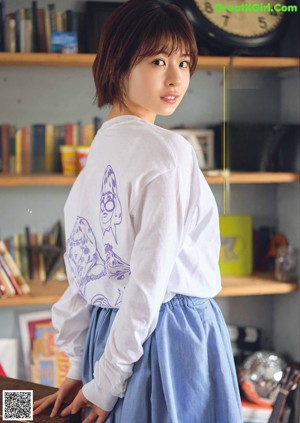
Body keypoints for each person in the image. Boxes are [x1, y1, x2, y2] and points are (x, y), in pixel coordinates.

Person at [33, 1, 242, 422]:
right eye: (158, 60)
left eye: (184, 62)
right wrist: (105, 383)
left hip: (105, 336)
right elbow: (150, 281)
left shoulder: (98, 152)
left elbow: (82, 272)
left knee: (34, 411)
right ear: (117, 63)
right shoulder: (169, 151)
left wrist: (81, 365)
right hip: (166, 335)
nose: (176, 78)